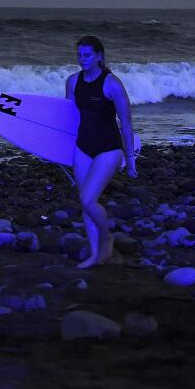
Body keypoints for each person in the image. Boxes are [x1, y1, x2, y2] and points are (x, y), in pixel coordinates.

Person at [64, 35, 136, 268]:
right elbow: (67, 118)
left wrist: (130, 159)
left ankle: (106, 237)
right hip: (82, 146)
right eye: (79, 55)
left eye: (87, 55)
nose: (82, 60)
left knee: (88, 199)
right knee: (85, 202)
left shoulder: (112, 83)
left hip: (109, 148)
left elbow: (126, 123)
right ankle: (95, 255)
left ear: (99, 56)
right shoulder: (73, 82)